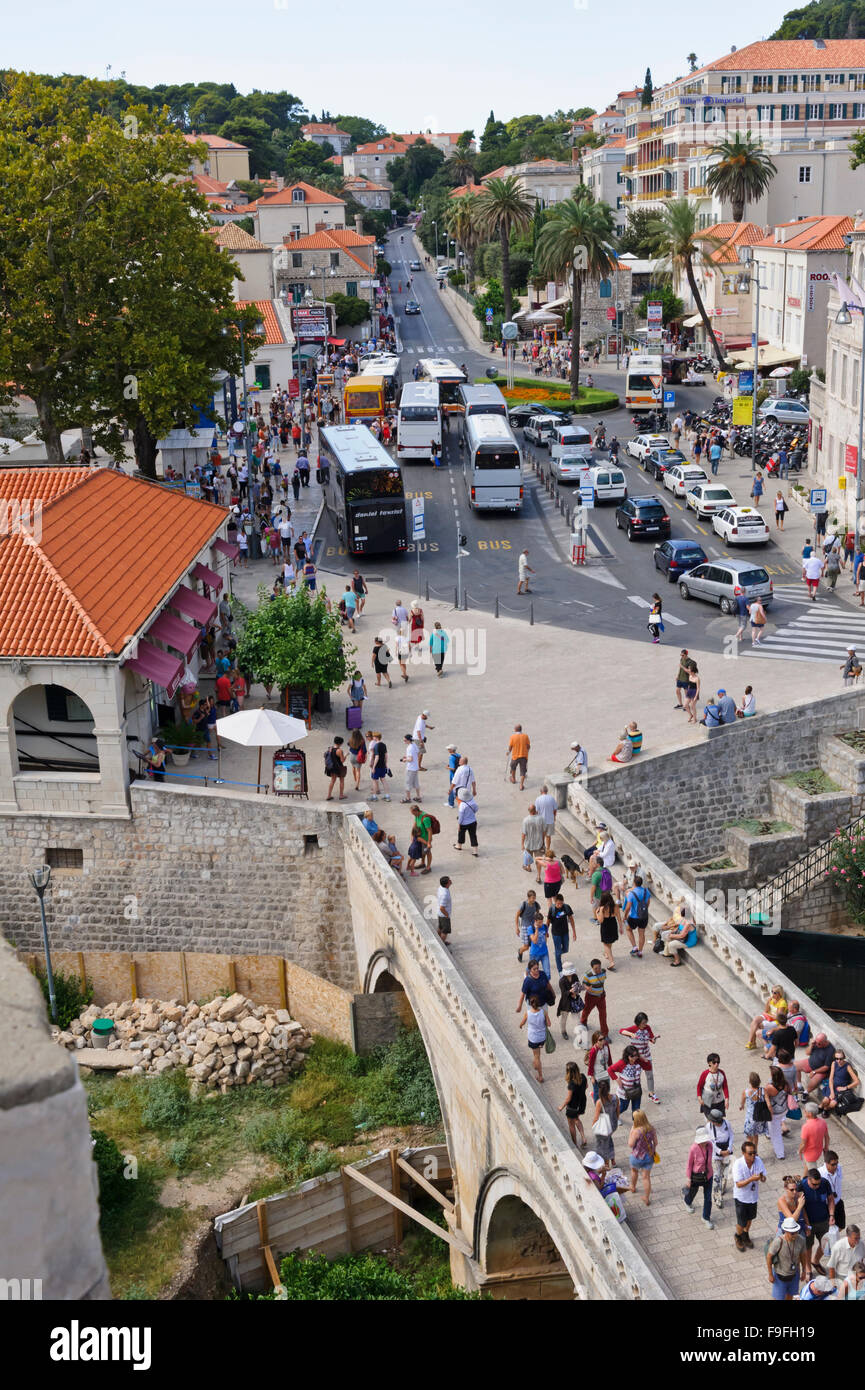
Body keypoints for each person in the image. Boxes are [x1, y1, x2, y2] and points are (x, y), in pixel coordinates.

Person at [798, 1167, 836, 1275]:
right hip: (808, 1222)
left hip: (823, 1219)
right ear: (808, 1180)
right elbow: (802, 1207)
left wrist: (831, 1214)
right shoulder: (802, 1186)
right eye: (814, 1184)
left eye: (818, 1184)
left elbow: (830, 1199)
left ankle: (815, 1260)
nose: (817, 1186)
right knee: (808, 1246)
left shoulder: (825, 1183)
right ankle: (808, 1268)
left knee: (826, 1244)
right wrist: (807, 1224)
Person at [732, 1140, 767, 1252]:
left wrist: (761, 1178)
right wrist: (751, 1179)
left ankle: (745, 1234)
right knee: (741, 1222)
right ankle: (738, 1235)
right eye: (750, 1153)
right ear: (743, 1153)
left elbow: (764, 1177)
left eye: (754, 1153)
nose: (753, 1155)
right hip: (741, 1197)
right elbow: (738, 1184)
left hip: (753, 1197)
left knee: (750, 1218)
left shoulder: (758, 1161)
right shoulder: (738, 1164)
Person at [619, 1012, 660, 1105]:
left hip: (646, 1055)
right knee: (633, 1075)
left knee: (650, 1074)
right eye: (643, 1023)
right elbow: (621, 1031)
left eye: (646, 1022)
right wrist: (630, 1034)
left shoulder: (647, 1028)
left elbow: (651, 1039)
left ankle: (651, 1093)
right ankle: (628, 1091)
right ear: (638, 1023)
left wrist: (654, 1039)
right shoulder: (634, 1029)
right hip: (635, 1057)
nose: (645, 1025)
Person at [683, 1126, 715, 1229]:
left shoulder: (710, 1145)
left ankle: (706, 1217)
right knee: (693, 1192)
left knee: (708, 1198)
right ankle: (687, 1202)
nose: (704, 1142)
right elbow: (689, 1165)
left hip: (708, 1175)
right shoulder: (693, 1148)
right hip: (696, 1176)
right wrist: (688, 1179)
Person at [767, 1219, 807, 1301]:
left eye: (797, 1232)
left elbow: (803, 1256)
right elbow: (769, 1257)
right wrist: (770, 1274)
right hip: (780, 1275)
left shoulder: (801, 1240)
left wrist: (804, 1270)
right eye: (792, 1233)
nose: (795, 1235)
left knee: (790, 1295)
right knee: (779, 1298)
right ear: (785, 1231)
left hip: (794, 1274)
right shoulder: (778, 1241)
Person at [627, 1111, 658, 1206]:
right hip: (649, 1156)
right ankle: (646, 1198)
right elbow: (656, 1142)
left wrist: (631, 1131)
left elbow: (630, 1144)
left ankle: (632, 1187)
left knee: (634, 1171)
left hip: (636, 1157)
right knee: (646, 1178)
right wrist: (653, 1150)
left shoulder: (636, 1131)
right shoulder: (651, 1128)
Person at [519, 993, 551, 1085]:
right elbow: (549, 1024)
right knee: (537, 1055)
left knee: (536, 1056)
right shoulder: (543, 1012)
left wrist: (520, 1026)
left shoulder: (528, 1013)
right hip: (542, 1037)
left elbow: (522, 1023)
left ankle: (540, 1076)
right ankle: (536, 1064)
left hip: (533, 1038)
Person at [745, 984, 788, 1048]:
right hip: (769, 1017)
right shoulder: (771, 999)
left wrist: (767, 1014)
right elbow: (766, 1010)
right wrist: (768, 1005)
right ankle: (751, 1042)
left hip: (776, 1021)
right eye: (772, 991)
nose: (772, 994)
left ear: (779, 994)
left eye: (775, 993)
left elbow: (778, 1017)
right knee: (755, 1020)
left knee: (758, 1025)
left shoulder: (782, 1003)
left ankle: (757, 1044)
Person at [822, 1048, 861, 1114]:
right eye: (837, 1058)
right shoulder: (834, 1063)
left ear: (844, 1058)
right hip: (832, 1086)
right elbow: (831, 1078)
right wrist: (832, 1092)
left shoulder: (847, 1066)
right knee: (825, 1100)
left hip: (841, 1089)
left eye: (841, 1058)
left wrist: (846, 1088)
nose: (839, 1061)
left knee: (832, 1104)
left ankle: (825, 1109)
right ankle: (824, 1108)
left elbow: (857, 1081)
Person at [590, 1078, 619, 1164]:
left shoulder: (600, 1102)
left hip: (604, 1127)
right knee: (609, 1139)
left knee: (602, 1146)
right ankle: (613, 1160)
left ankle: (606, 1163)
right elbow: (618, 1112)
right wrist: (614, 1122)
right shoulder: (615, 1097)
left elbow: (596, 1117)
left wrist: (593, 1126)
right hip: (613, 1125)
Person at [559, 1060, 588, 1146]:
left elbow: (568, 1098)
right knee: (576, 1119)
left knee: (571, 1124)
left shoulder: (571, 1084)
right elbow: (586, 1086)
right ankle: (583, 1137)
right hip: (582, 1102)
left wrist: (561, 1106)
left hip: (572, 1106)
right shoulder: (583, 1076)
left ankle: (574, 1143)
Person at [621, 875, 651, 958]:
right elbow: (648, 903)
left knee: (628, 929)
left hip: (633, 916)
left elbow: (628, 907)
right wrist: (644, 910)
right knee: (642, 933)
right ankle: (640, 951)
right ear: (641, 883)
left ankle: (634, 947)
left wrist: (625, 916)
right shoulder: (646, 891)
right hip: (644, 917)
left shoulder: (631, 893)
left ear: (634, 883)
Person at [546, 895, 576, 975]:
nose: (559, 905)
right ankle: (560, 971)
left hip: (565, 932)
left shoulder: (566, 907)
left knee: (566, 949)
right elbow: (548, 921)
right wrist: (546, 931)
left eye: (561, 903)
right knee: (558, 952)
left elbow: (571, 919)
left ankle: (557, 953)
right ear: (555, 902)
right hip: (556, 934)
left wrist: (574, 932)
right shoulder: (552, 909)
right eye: (558, 904)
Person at [798, 1102, 830, 1173]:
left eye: (805, 1111)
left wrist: (799, 1151)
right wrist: (826, 1148)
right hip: (818, 1150)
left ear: (810, 1114)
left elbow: (803, 1144)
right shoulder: (823, 1122)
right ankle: (803, 1178)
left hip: (810, 1154)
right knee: (807, 1166)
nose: (804, 1111)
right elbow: (827, 1137)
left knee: (814, 1173)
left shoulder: (806, 1127)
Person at [595, 890, 623, 971]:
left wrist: (597, 913)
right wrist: (620, 927)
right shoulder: (615, 906)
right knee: (610, 941)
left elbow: (600, 920)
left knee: (605, 943)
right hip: (613, 924)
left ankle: (611, 962)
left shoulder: (602, 908)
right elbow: (619, 918)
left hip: (605, 926)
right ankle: (607, 954)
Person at [580, 958, 608, 1036]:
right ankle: (583, 1022)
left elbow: (602, 982)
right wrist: (587, 987)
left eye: (599, 967)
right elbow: (584, 984)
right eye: (595, 968)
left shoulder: (603, 972)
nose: (598, 970)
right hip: (591, 997)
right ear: (592, 968)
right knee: (587, 1010)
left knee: (603, 1015)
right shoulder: (588, 975)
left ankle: (605, 1033)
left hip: (601, 997)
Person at [697, 1052, 730, 1119]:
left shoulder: (722, 1073)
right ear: (709, 1063)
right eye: (714, 1062)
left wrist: (726, 1099)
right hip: (708, 1101)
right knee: (710, 1120)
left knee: (719, 1120)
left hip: (719, 1101)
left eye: (718, 1062)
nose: (716, 1064)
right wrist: (699, 1097)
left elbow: (725, 1086)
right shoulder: (705, 1074)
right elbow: (699, 1086)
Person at [515, 890, 541, 966]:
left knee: (533, 944)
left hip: (533, 926)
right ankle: (520, 951)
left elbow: (538, 915)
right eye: (532, 898)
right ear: (528, 898)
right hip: (524, 927)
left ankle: (533, 961)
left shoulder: (536, 905)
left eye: (534, 898)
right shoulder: (523, 905)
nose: (534, 899)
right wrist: (517, 928)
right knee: (526, 947)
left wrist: (538, 924)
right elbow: (517, 915)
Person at [454, 787, 479, 855]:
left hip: (464, 823)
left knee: (461, 834)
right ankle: (475, 851)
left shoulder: (462, 805)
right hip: (473, 822)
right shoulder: (472, 801)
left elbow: (461, 817)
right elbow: (476, 809)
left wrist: (459, 824)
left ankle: (459, 845)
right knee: (473, 835)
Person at [367, 732, 391, 803]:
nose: (373, 738)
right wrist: (386, 764)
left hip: (377, 766)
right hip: (383, 765)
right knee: (383, 780)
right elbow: (386, 755)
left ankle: (374, 797)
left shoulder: (376, 746)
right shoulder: (384, 745)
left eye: (374, 737)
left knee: (374, 780)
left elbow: (377, 757)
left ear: (376, 737)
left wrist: (373, 767)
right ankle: (387, 796)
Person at [409, 804, 433, 874]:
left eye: (413, 813)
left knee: (427, 852)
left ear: (416, 811)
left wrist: (428, 842)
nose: (413, 815)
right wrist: (412, 835)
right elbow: (415, 824)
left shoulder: (425, 819)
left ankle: (428, 867)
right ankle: (423, 863)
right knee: (423, 852)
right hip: (420, 838)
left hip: (425, 839)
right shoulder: (417, 816)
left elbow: (429, 831)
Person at [534, 784, 557, 851]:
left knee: (541, 835)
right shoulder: (552, 798)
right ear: (547, 791)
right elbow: (555, 809)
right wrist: (554, 817)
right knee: (548, 836)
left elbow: (536, 811)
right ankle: (548, 849)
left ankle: (542, 847)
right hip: (550, 820)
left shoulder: (538, 799)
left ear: (541, 791)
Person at [400, 734, 422, 804]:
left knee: (407, 783)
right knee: (416, 782)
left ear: (408, 740)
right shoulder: (414, 745)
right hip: (415, 767)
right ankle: (418, 797)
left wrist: (405, 759)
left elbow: (410, 759)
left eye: (405, 740)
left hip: (410, 768)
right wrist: (407, 757)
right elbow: (418, 753)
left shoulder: (409, 748)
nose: (404, 741)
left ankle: (408, 798)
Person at [508, 724, 530, 788]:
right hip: (524, 756)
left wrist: (508, 752)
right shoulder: (525, 736)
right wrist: (527, 750)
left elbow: (510, 747)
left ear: (515, 729)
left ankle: (513, 779)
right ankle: (521, 785)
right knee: (523, 771)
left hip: (515, 756)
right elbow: (528, 746)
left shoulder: (513, 737)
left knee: (513, 768)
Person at [437, 876, 453, 947]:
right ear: (446, 884)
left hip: (440, 914)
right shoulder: (445, 895)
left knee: (440, 928)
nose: (450, 881)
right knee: (445, 931)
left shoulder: (441, 888)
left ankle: (438, 940)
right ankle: (442, 945)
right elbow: (442, 908)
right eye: (449, 881)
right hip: (444, 915)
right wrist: (447, 915)